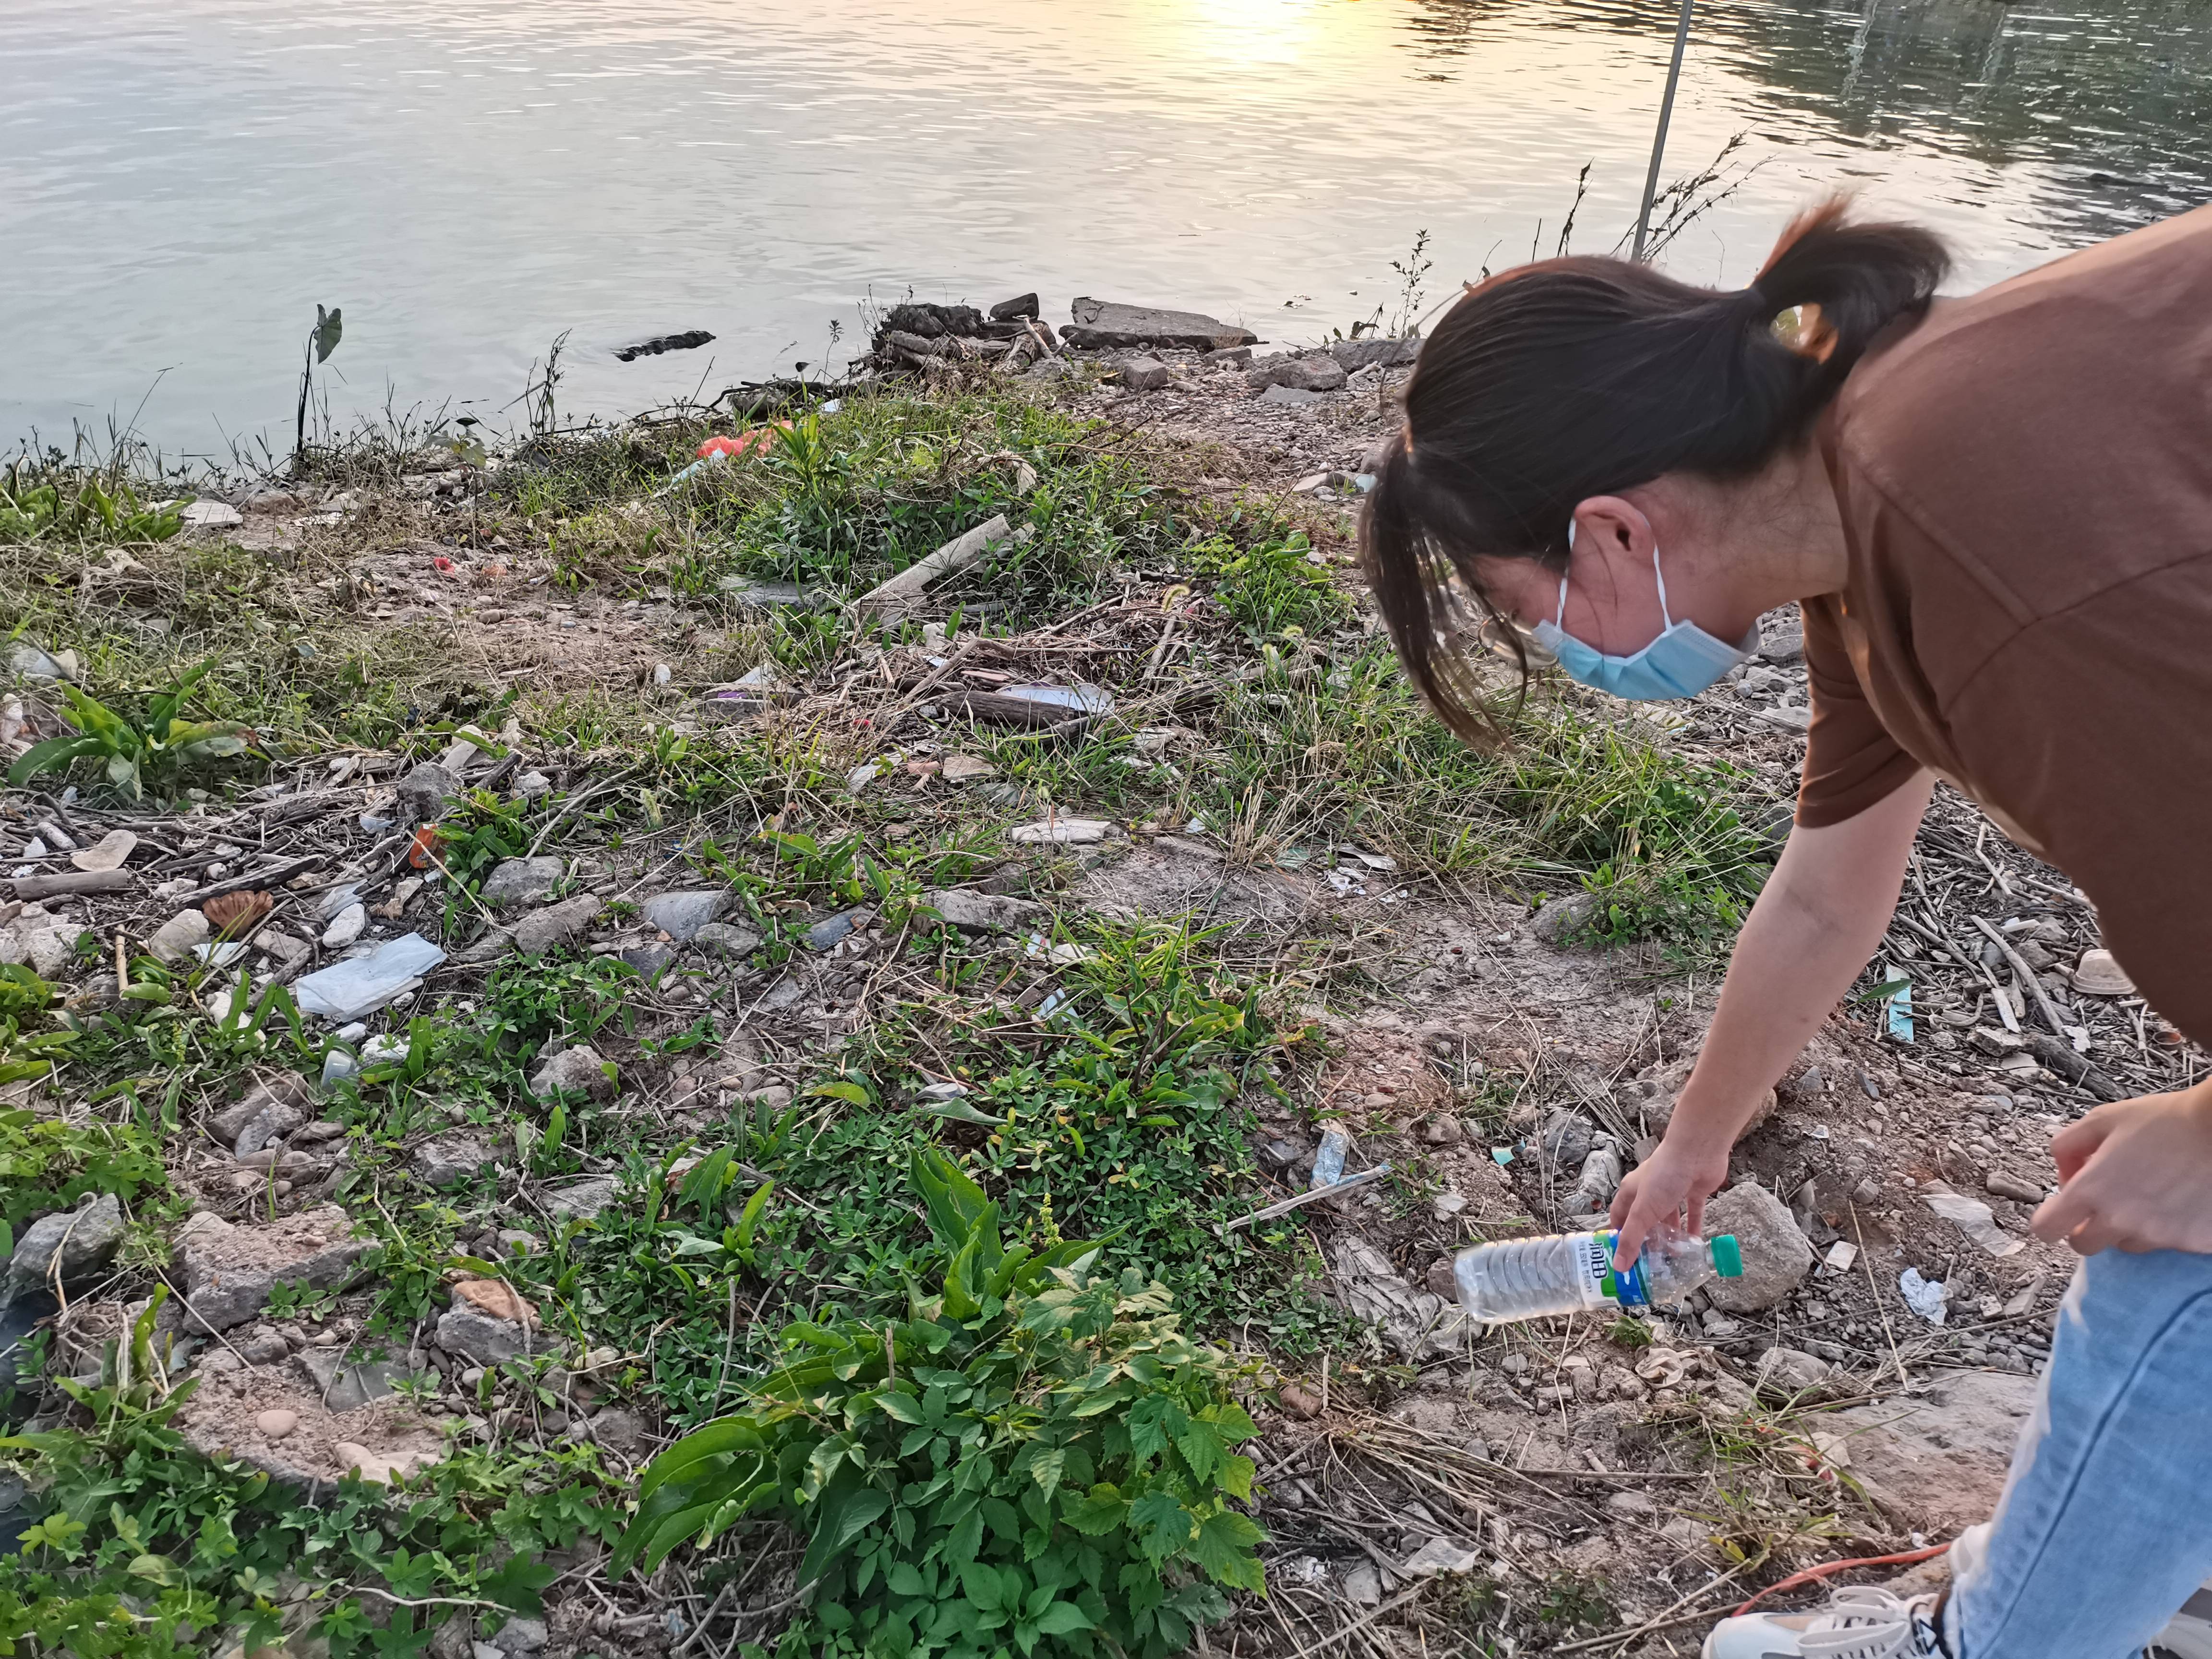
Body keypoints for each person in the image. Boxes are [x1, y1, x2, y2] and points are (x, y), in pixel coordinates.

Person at [1358, 198, 2212, 1659]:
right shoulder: (1859, 512)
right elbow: (1826, 891)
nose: (1563, 658)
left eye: (1529, 610)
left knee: (2173, 1243)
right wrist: (1697, 1146)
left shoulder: (1987, 551)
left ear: (1611, 530)